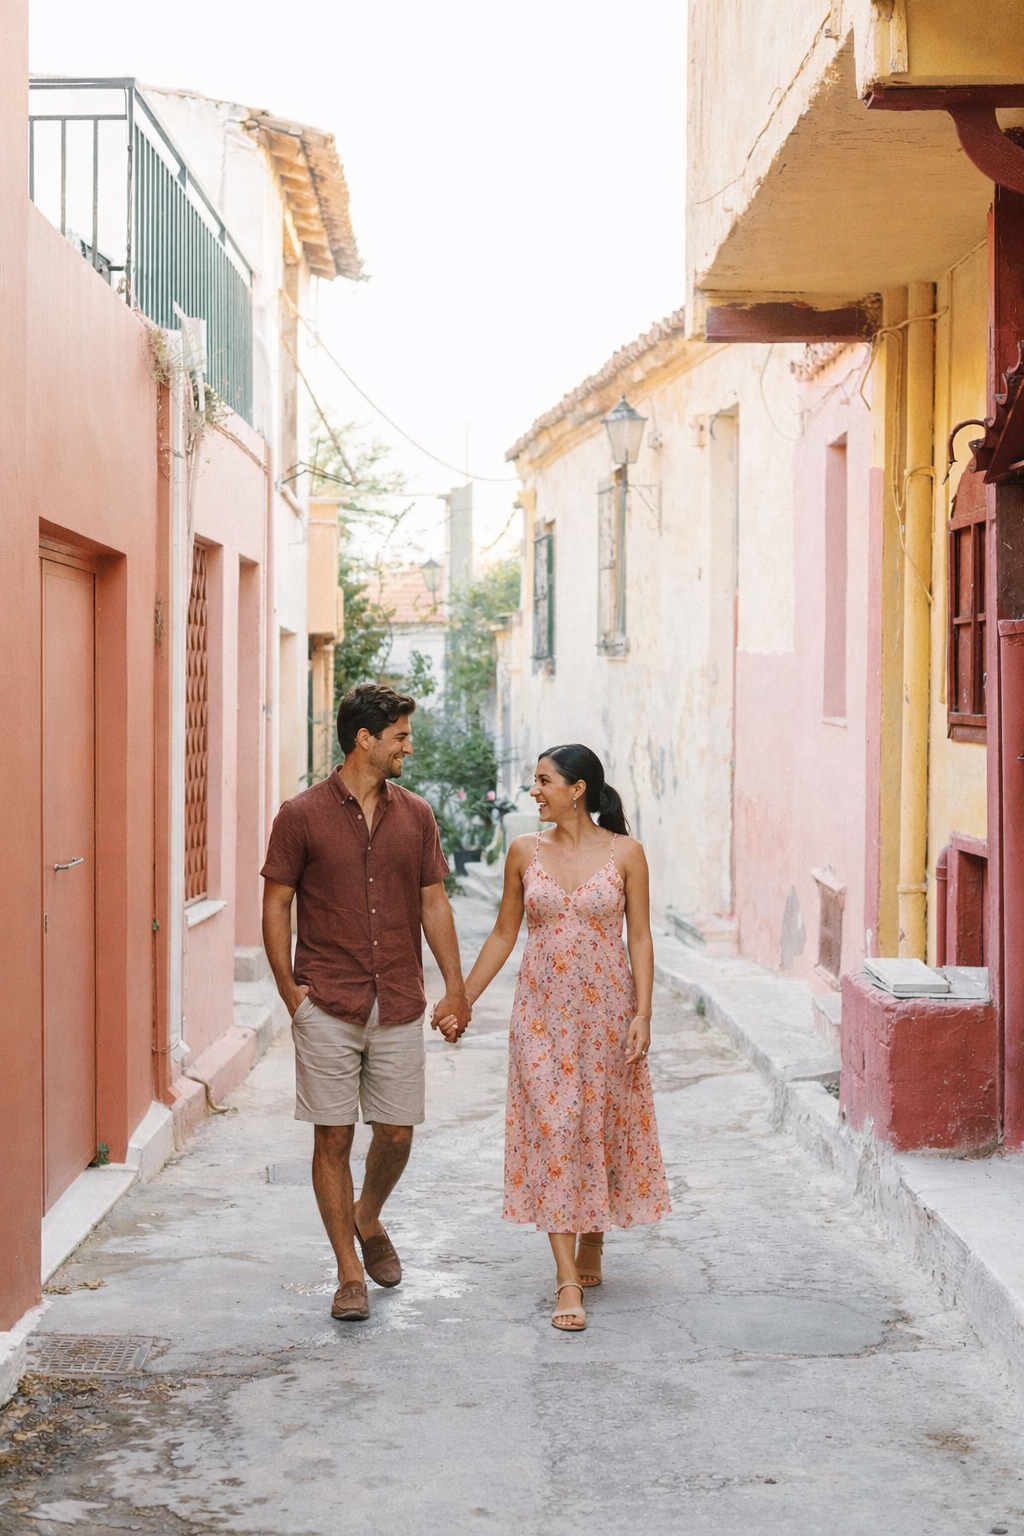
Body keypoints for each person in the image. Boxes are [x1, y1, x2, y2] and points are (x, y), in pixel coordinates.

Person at [440, 743, 669, 1332]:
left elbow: (639, 938)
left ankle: (593, 1235)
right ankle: (567, 1278)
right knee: (556, 1128)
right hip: (541, 1017)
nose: (533, 791)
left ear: (577, 789)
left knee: (597, 1122)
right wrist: (460, 998)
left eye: (543, 781)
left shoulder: (627, 854)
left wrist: (643, 1013)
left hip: (608, 1015)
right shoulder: (523, 852)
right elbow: (501, 934)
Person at [261, 683, 472, 1323]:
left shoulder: (417, 815)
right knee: (332, 1137)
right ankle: (348, 1272)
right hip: (326, 996)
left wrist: (455, 987)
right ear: (365, 739)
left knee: (398, 1132)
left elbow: (434, 903)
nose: (410, 745)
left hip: (399, 997)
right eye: (401, 735)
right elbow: (276, 903)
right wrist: (288, 990)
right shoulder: (300, 815)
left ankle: (368, 1214)